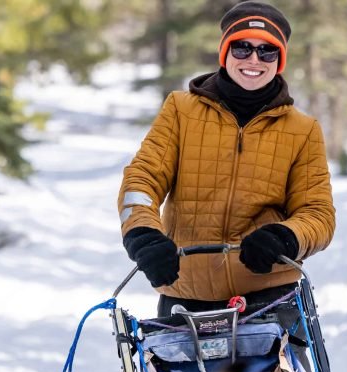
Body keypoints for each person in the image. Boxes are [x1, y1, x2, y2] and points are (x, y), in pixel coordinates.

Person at [118, 1, 335, 317]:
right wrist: (143, 235)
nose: (254, 59)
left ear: (280, 60)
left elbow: (318, 214)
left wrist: (286, 237)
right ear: (225, 53)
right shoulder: (181, 110)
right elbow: (143, 180)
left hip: (267, 297)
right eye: (242, 48)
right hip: (186, 296)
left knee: (270, 370)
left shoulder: (303, 130)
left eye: (267, 51)